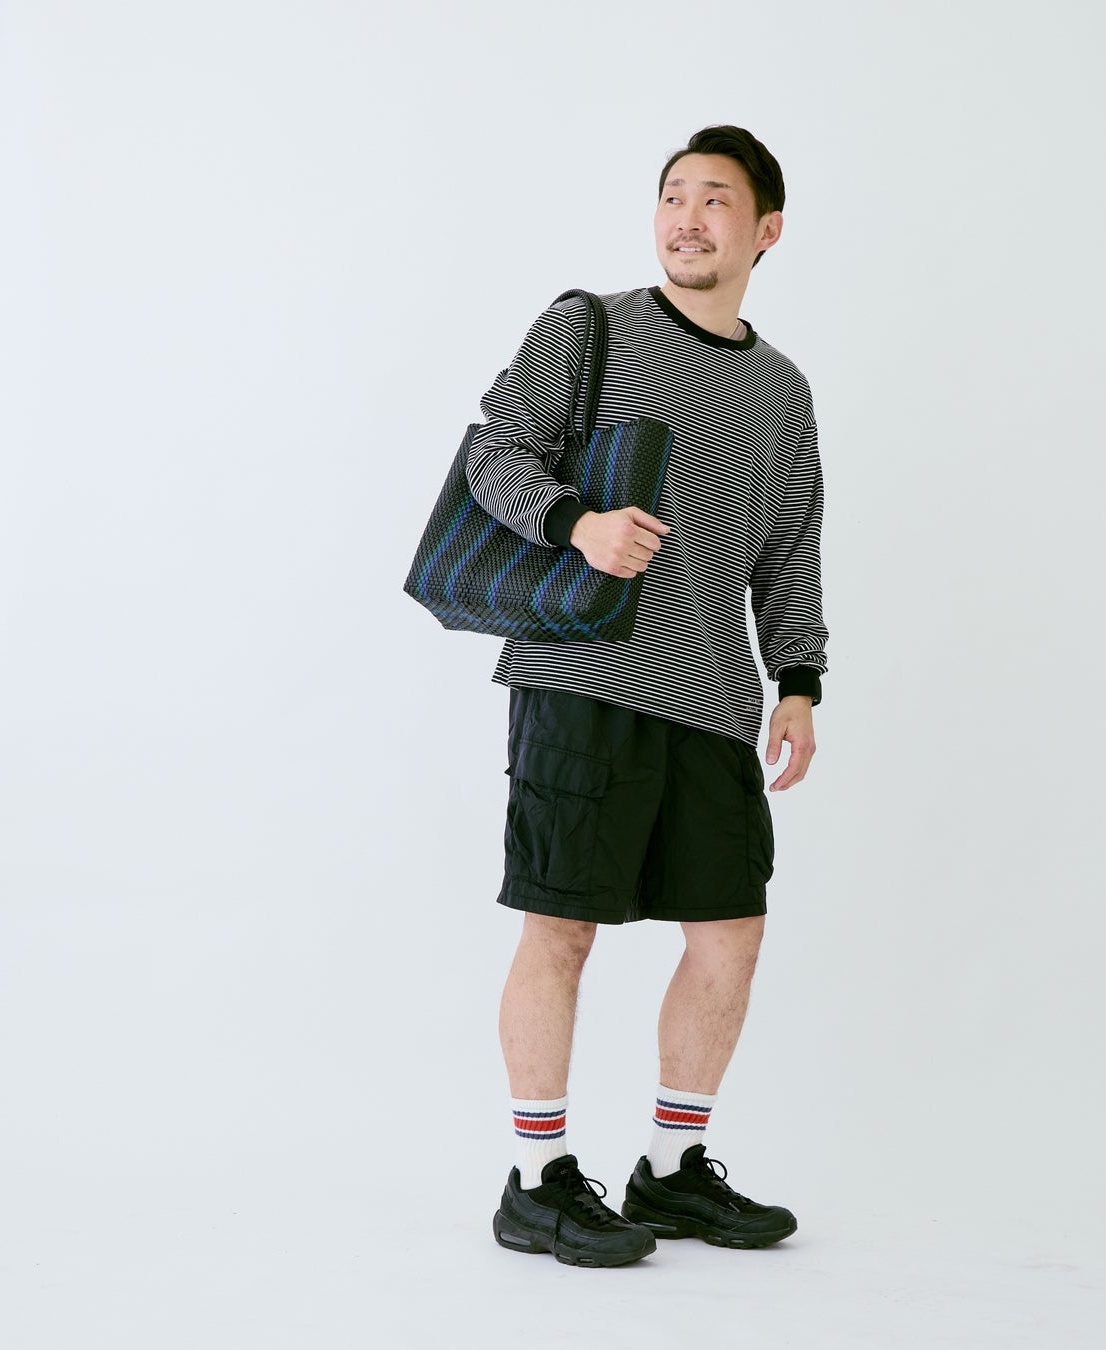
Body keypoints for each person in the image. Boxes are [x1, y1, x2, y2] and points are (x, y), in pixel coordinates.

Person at [465, 125, 828, 1268]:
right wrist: (576, 522)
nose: (687, 217)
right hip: (581, 679)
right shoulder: (594, 329)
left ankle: (672, 1169)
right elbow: (493, 452)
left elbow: (790, 547)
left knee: (731, 934)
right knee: (561, 926)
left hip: (713, 698)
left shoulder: (782, 391)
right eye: (674, 195)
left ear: (765, 231)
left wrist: (800, 681)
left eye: (715, 200)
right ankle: (536, 1182)